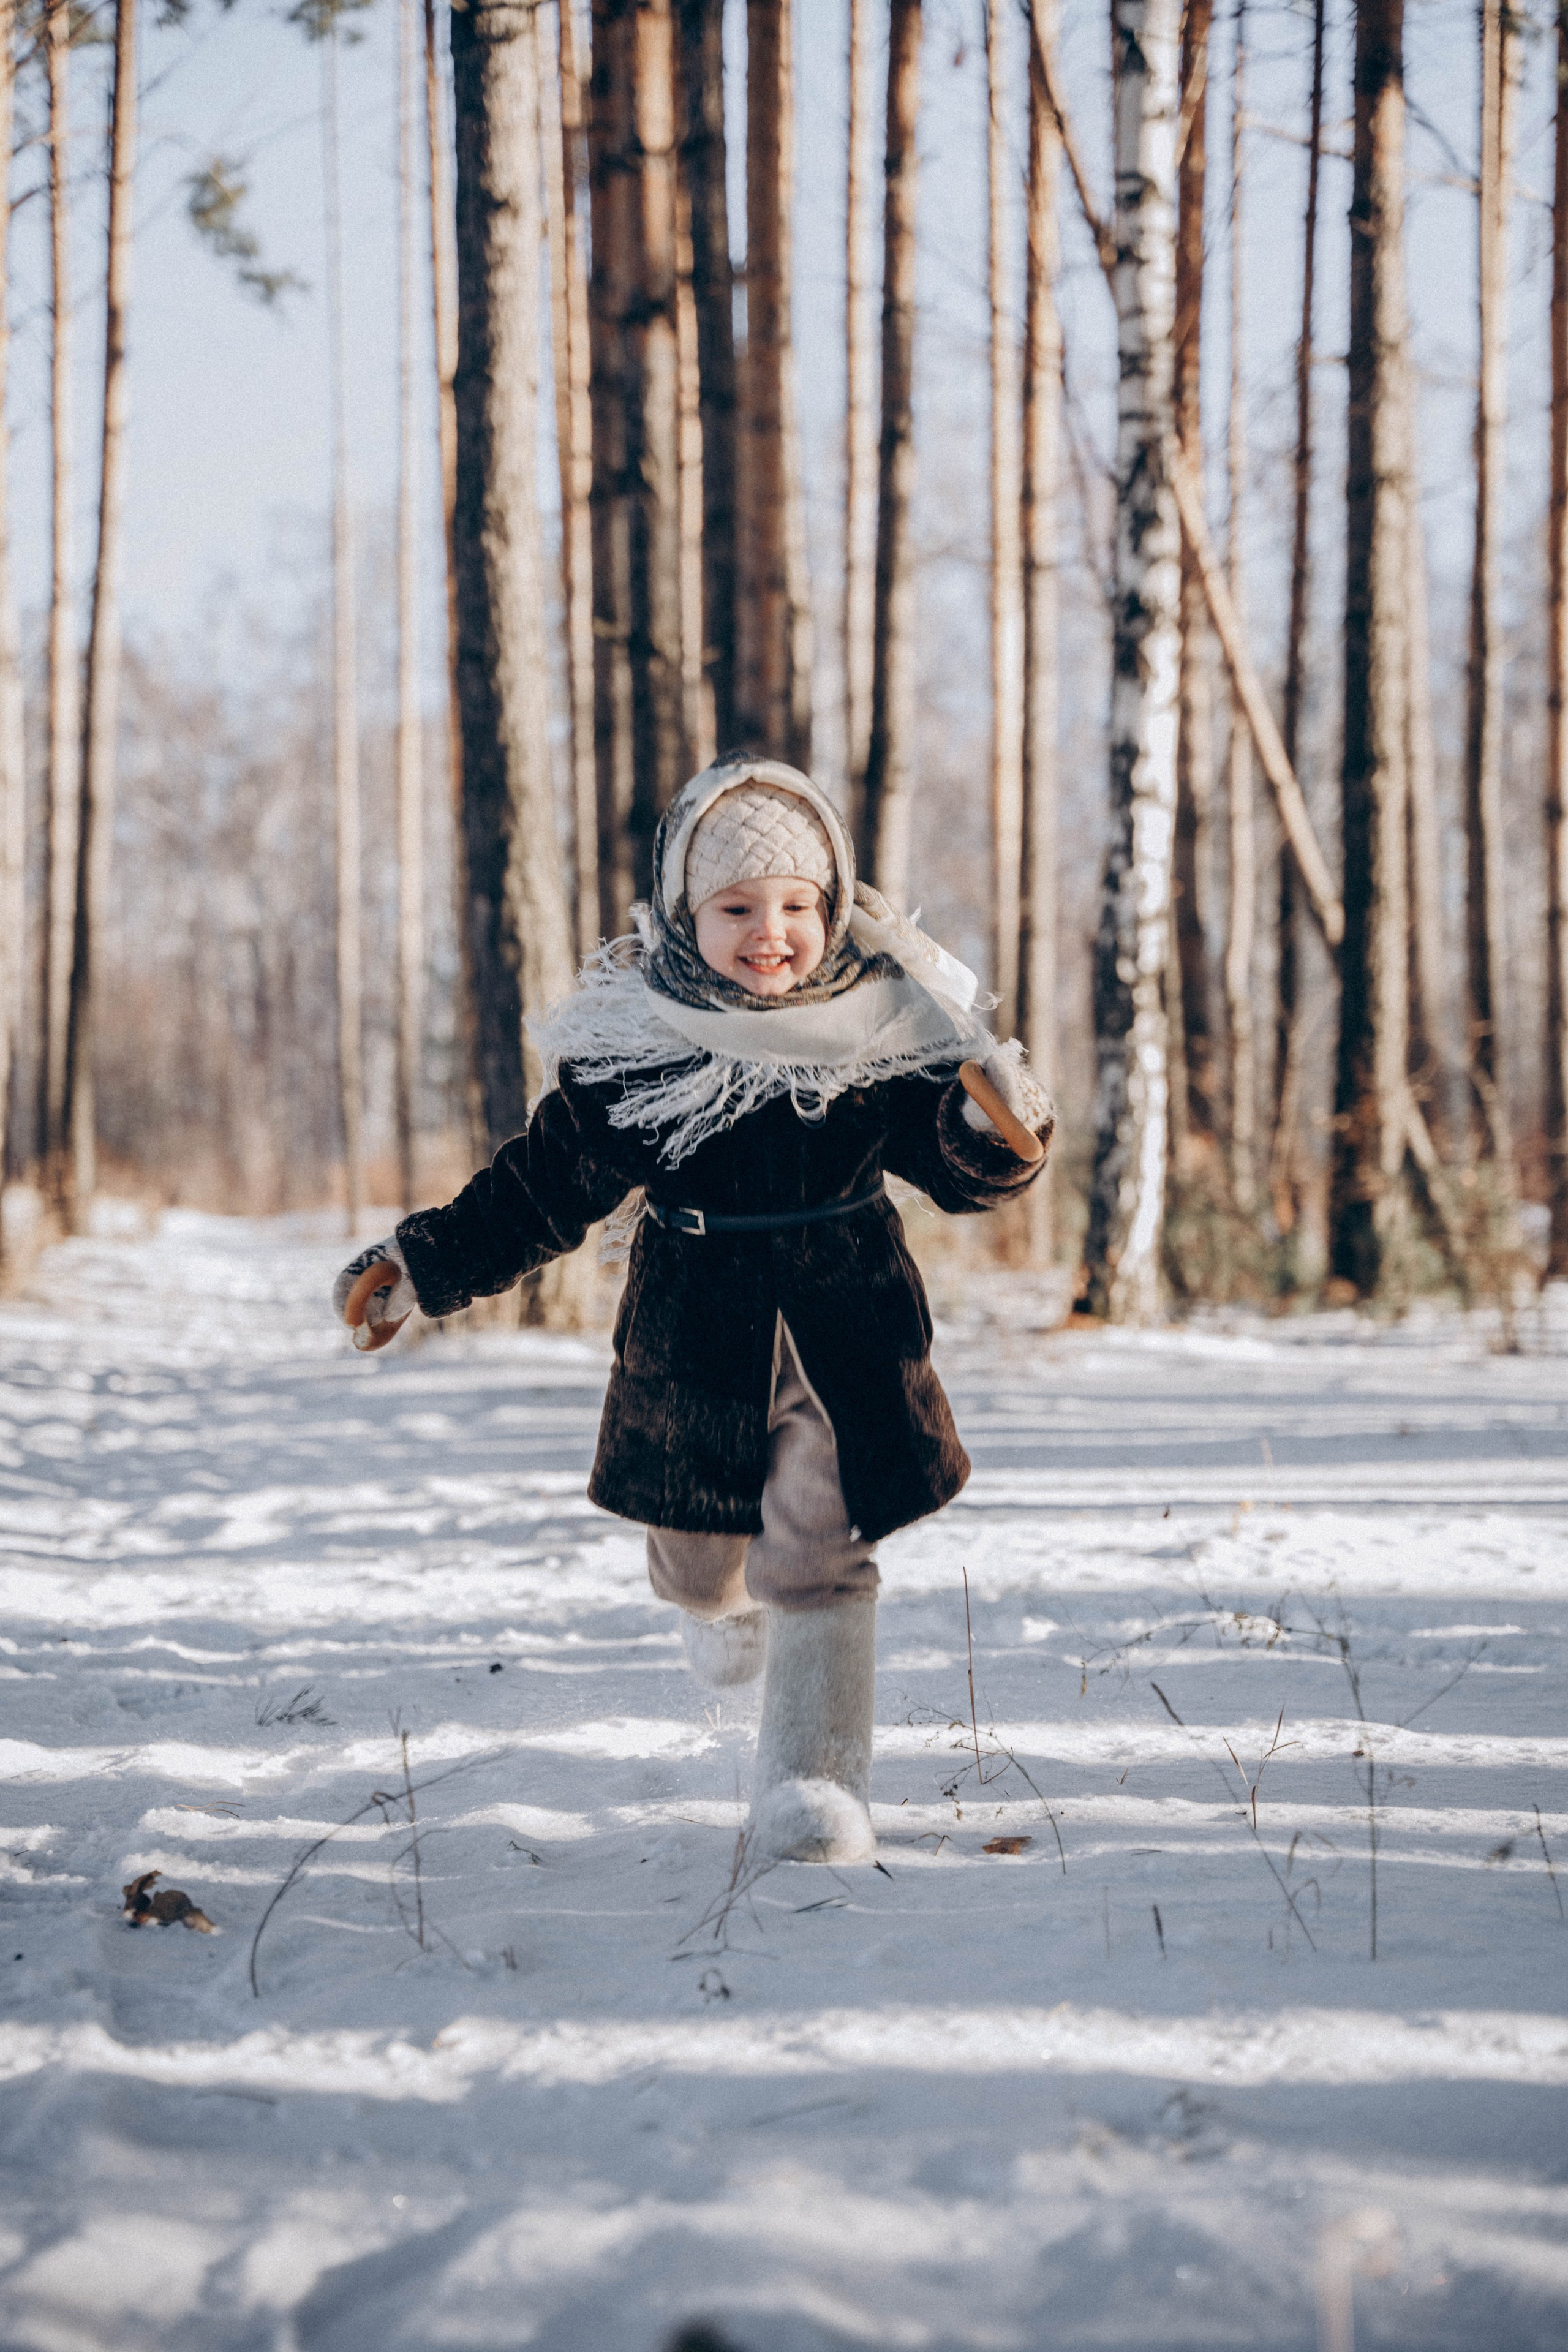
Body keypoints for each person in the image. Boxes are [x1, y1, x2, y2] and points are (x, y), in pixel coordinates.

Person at [333, 755, 1052, 1865]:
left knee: (820, 1547)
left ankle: (814, 1789)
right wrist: (421, 1268)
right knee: (699, 1568)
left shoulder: (882, 1038)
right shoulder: (641, 1054)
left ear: (834, 907)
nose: (773, 932)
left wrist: (991, 1133)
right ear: (684, 913)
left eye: (799, 906)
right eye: (737, 908)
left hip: (843, 1329)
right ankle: (723, 1612)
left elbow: (955, 1164)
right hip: (695, 1335)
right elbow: (540, 1193)